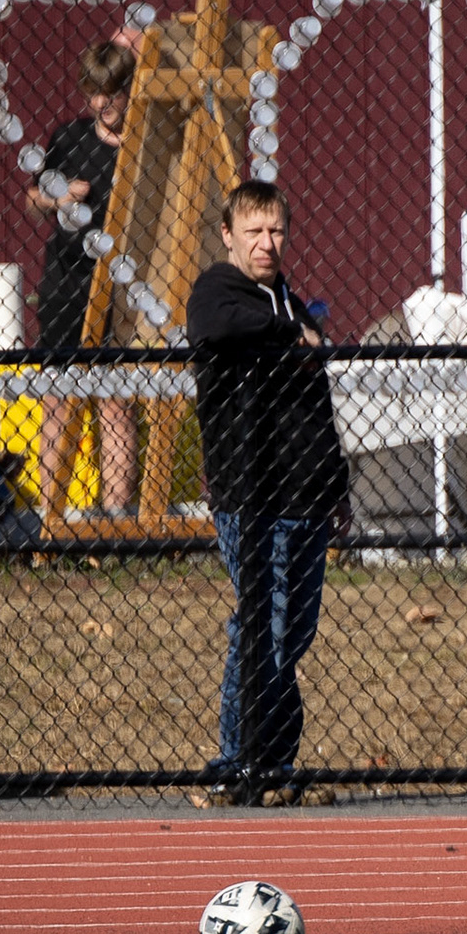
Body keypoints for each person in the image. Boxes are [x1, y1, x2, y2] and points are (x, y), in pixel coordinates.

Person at [187, 182, 350, 807]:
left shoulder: (287, 298)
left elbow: (317, 400)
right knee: (263, 623)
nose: (266, 243)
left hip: (306, 494)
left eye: (276, 231)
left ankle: (274, 762)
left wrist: (336, 485)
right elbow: (221, 326)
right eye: (253, 231)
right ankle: (237, 762)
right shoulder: (220, 291)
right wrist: (292, 335)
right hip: (252, 496)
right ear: (228, 234)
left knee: (293, 631)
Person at [29, 41, 138, 521]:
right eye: (95, 94)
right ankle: (48, 520)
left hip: (122, 282)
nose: (103, 105)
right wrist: (58, 199)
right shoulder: (70, 138)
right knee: (58, 397)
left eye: (112, 94)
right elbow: (32, 199)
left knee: (115, 402)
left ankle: (114, 523)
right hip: (67, 278)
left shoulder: (144, 143)